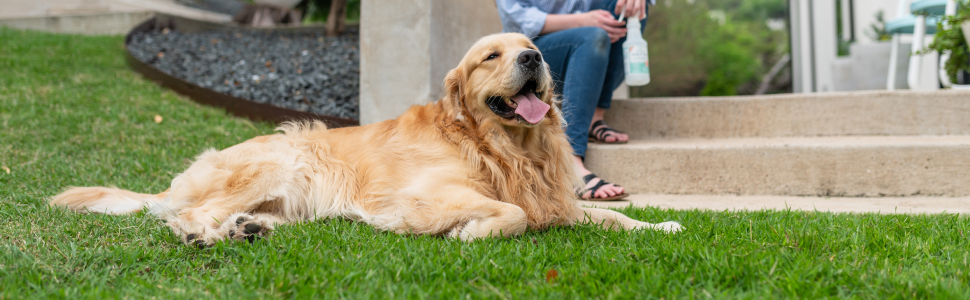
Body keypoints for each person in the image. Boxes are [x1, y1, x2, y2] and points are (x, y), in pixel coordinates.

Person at [495, 0, 650, 201]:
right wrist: (582, 21)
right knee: (593, 36)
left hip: (595, 50)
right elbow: (515, 16)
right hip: (534, 52)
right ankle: (571, 162)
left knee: (635, 4)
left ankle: (594, 117)